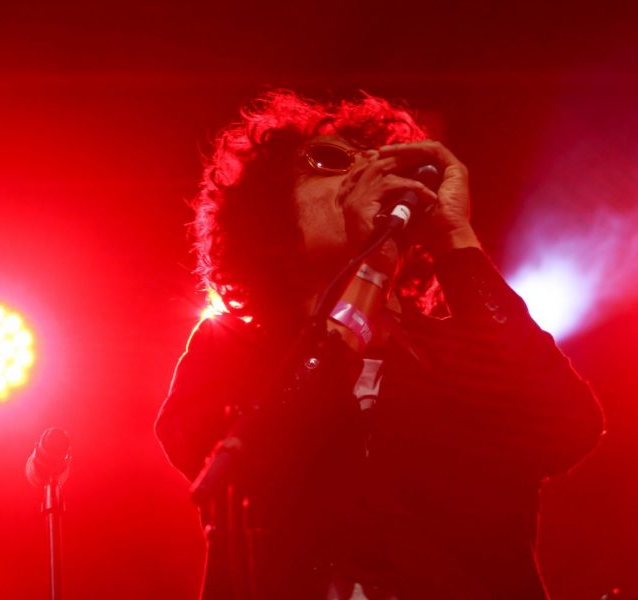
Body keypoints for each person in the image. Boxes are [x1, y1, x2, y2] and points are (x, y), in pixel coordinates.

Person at [155, 90, 604, 600]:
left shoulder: (463, 350)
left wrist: (456, 240)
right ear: (271, 213)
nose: (369, 177)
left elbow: (569, 428)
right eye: (330, 162)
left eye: (390, 167)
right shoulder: (229, 347)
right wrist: (357, 286)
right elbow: (237, 462)